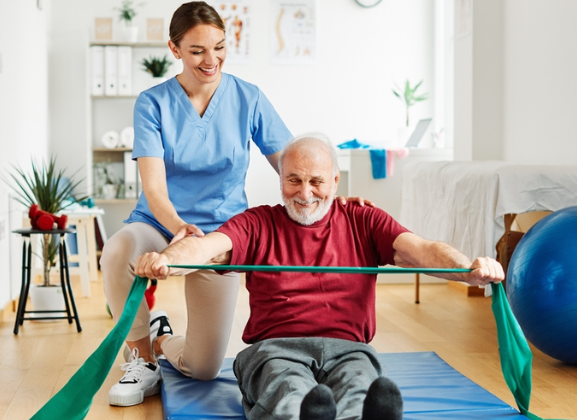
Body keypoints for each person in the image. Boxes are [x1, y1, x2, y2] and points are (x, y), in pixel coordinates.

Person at [100, 2, 369, 407]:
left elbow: (292, 164)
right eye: (197, 51)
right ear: (174, 49)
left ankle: (161, 337)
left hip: (221, 234)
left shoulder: (248, 98)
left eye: (220, 47)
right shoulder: (152, 102)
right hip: (160, 222)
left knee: (204, 367)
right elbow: (154, 189)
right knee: (118, 249)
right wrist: (177, 230)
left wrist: (329, 195)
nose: (212, 60)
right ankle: (140, 358)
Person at [135, 134, 505, 420]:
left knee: (361, 385)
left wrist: (468, 269)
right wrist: (166, 260)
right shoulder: (258, 222)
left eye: (316, 181)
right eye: (293, 180)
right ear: (280, 180)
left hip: (349, 349)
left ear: (335, 180)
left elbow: (422, 250)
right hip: (275, 350)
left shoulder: (364, 220)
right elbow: (206, 247)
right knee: (288, 389)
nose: (305, 193)